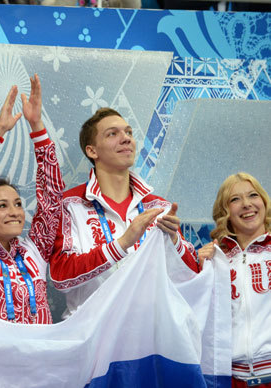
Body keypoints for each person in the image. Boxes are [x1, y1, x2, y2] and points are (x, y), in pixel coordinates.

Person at [49, 107, 199, 317]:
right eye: (113, 134)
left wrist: (175, 241)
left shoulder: (159, 207)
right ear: (92, 151)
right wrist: (122, 244)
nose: (126, 139)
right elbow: (61, 276)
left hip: (151, 332)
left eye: (128, 132)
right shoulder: (69, 205)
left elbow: (192, 276)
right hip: (94, 335)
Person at [0, 74, 64, 324]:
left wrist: (37, 126)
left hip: (39, 359)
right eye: (2, 206)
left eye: (18, 204)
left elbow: (52, 196)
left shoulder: (35, 250)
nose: (15, 212)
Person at [198, 173, 271, 388]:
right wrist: (199, 269)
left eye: (252, 195)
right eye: (235, 199)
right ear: (225, 212)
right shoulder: (214, 261)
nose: (247, 204)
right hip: (231, 379)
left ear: (264, 203)